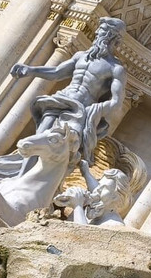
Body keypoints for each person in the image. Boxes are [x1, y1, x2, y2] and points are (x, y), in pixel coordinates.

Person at [9, 17, 127, 167]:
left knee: (65, 150)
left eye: (102, 30)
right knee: (39, 138)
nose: (96, 32)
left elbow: (117, 102)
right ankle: (23, 178)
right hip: (60, 100)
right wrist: (31, 70)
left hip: (81, 111)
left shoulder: (116, 68)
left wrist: (97, 109)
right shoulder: (81, 56)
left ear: (112, 36)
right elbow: (57, 72)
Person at [53, 160, 130, 227]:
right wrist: (86, 173)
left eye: (104, 188)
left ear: (116, 197)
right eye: (99, 185)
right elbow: (96, 191)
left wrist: (78, 206)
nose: (97, 190)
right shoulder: (96, 214)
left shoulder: (114, 225)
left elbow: (82, 238)